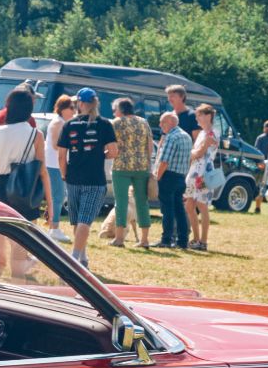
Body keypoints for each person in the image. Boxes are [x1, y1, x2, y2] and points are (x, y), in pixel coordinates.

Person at [0, 87, 54, 277]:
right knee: (19, 257)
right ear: (29, 109)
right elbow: (42, 172)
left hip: (0, 191)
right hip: (25, 193)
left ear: (9, 107)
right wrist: (50, 205)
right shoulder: (36, 135)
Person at [56, 88, 117, 267]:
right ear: (95, 103)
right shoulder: (105, 124)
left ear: (80, 104)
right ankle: (77, 257)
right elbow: (113, 152)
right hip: (95, 179)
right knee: (85, 220)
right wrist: (100, 154)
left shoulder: (69, 125)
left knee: (77, 220)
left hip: (73, 178)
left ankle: (80, 258)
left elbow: (61, 156)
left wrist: (63, 174)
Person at [108, 96, 154, 248]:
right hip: (141, 166)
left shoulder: (116, 123)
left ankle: (119, 238)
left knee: (121, 202)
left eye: (115, 110)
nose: (114, 113)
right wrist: (148, 164)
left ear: (120, 110)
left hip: (121, 166)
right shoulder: (143, 122)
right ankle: (144, 239)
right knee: (142, 202)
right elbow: (149, 145)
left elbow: (110, 144)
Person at [152, 111, 192, 249]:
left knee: (167, 210)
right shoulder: (186, 136)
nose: (160, 125)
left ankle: (166, 239)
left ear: (170, 122)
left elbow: (164, 161)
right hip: (181, 177)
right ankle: (183, 240)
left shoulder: (171, 137)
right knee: (180, 210)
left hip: (168, 176)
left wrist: (157, 178)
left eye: (162, 122)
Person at [185, 104, 221, 251]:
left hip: (203, 173)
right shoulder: (202, 133)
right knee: (189, 205)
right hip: (194, 172)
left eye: (199, 115)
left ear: (208, 116)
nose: (196, 118)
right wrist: (195, 152)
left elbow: (198, 153)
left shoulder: (213, 133)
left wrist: (193, 153)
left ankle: (203, 241)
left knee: (202, 205)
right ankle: (196, 238)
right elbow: (195, 151)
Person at [45, 94, 74, 242]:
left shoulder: (61, 122)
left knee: (58, 196)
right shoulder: (58, 123)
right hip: (53, 164)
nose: (74, 111)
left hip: (55, 164)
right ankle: (54, 228)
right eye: (71, 108)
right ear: (63, 108)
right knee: (58, 197)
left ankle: (53, 226)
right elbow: (56, 145)